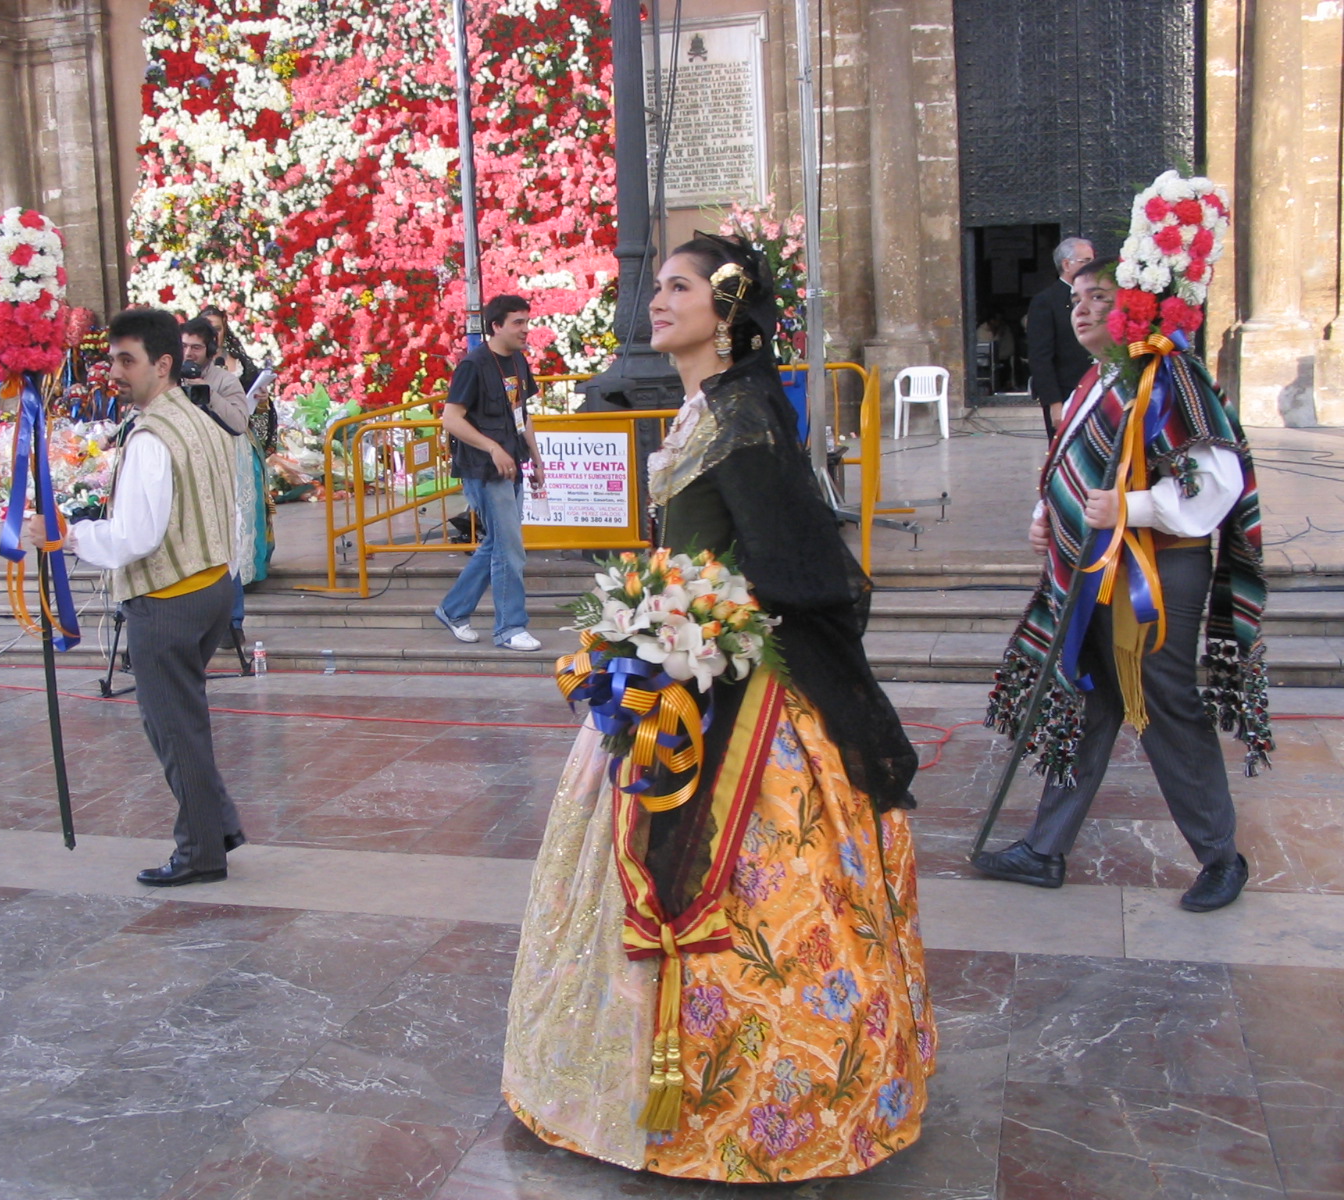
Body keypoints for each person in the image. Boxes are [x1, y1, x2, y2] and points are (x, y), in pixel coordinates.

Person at [503, 235, 934, 1182]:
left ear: (728, 312)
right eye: (656, 286)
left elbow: (795, 561)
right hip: (679, 663)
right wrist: (652, 618)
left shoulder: (744, 416)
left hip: (736, 683)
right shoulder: (704, 410)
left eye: (679, 288)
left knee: (752, 885)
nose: (656, 302)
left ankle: (767, 1097)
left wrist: (697, 620)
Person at [976, 259, 1269, 912]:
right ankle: (1046, 848)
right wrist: (1044, 518)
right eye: (1074, 298)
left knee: (1164, 703)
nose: (1080, 309)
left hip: (1155, 573)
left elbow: (1214, 480)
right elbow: (1071, 469)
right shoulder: (1094, 383)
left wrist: (1132, 510)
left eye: (1098, 297)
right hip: (1097, 571)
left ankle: (1222, 856)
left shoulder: (1169, 376)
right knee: (1091, 701)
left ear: (1135, 306)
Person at [29, 309, 244, 887]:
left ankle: (201, 851)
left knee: (174, 728)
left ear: (164, 363)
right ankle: (215, 825)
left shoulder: (153, 436)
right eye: (112, 359)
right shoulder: (198, 418)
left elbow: (135, 536)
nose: (116, 372)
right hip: (210, 587)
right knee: (183, 720)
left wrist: (69, 536)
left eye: (128, 360)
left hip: (168, 599)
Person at [433, 294, 547, 652]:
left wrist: (536, 457)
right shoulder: (474, 365)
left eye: (527, 322)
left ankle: (453, 610)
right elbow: (451, 418)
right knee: (509, 548)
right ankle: (510, 628)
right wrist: (492, 447)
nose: (526, 330)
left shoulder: (518, 361)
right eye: (518, 323)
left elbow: (520, 412)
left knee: (498, 545)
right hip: (484, 469)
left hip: (512, 463)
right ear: (496, 326)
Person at [182, 317, 269, 649]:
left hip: (219, 475)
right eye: (184, 346)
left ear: (210, 350)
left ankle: (232, 623)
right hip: (182, 475)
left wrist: (207, 396)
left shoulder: (225, 381)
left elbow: (238, 421)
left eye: (196, 347)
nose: (188, 353)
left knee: (224, 547)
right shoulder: (167, 378)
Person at [1026, 236, 1094, 438]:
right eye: (1086, 262)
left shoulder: (1096, 297)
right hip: (1066, 391)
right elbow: (1040, 357)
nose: (1092, 267)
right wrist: (1054, 403)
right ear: (1067, 264)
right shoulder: (1046, 301)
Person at [198, 305, 262, 392]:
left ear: (224, 330)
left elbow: (253, 397)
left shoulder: (242, 365)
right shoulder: (191, 364)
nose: (213, 335)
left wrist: (262, 400)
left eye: (217, 329)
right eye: (207, 329)